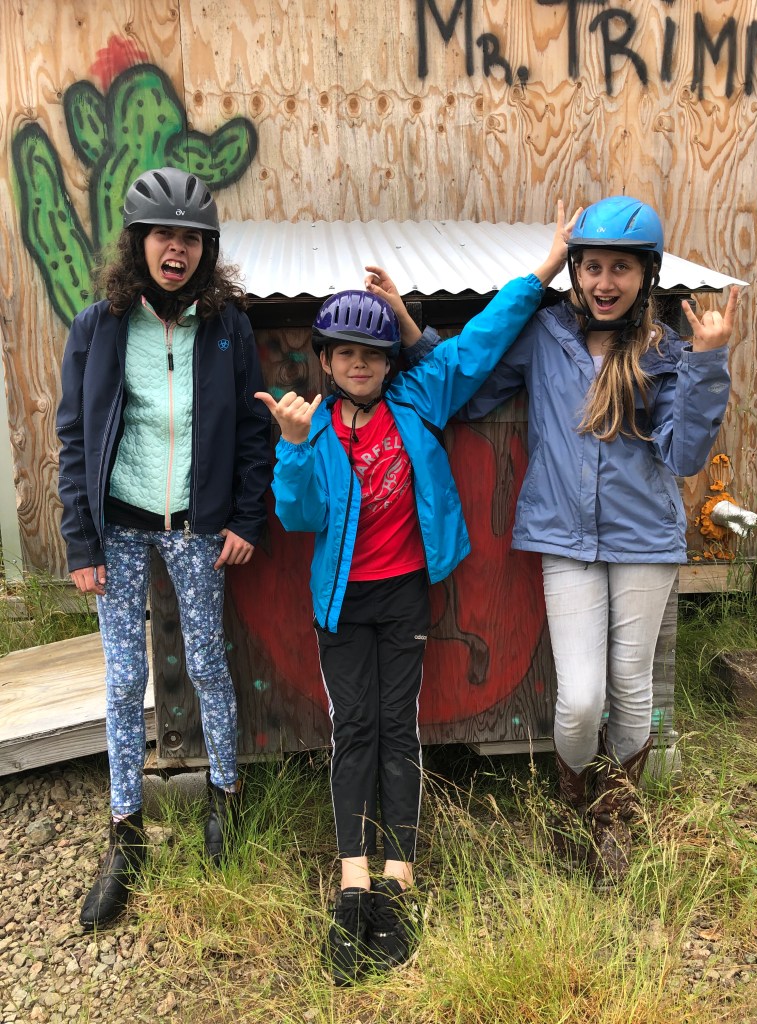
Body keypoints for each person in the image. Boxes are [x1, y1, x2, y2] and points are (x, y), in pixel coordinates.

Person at [254, 203, 578, 985]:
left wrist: (547, 268)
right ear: (325, 360)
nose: (360, 364)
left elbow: (482, 341)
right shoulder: (314, 428)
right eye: (345, 353)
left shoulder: (418, 398)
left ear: (388, 359)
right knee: (353, 731)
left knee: (398, 728)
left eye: (373, 353)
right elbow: (299, 517)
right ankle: (352, 884)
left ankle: (398, 882)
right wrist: (293, 449)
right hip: (341, 606)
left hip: (404, 597)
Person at [408, 195, 740, 884]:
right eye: (592, 267)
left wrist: (708, 364)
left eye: (621, 268)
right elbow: (470, 388)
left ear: (646, 275)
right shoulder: (544, 336)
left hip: (644, 541)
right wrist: (415, 340)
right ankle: (572, 804)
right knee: (582, 697)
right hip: (564, 538)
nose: (604, 282)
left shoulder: (665, 351)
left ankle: (611, 818)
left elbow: (682, 456)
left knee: (632, 687)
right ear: (575, 271)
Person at [57, 167, 272, 928]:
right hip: (117, 527)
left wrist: (246, 518)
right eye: (162, 236)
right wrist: (81, 541)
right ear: (137, 242)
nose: (176, 251)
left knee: (209, 663)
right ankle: (125, 834)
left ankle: (224, 799)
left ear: (206, 250)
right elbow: (74, 439)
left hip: (197, 525)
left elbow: (254, 430)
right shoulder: (99, 327)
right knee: (123, 681)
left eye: (191, 239)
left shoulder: (227, 328)